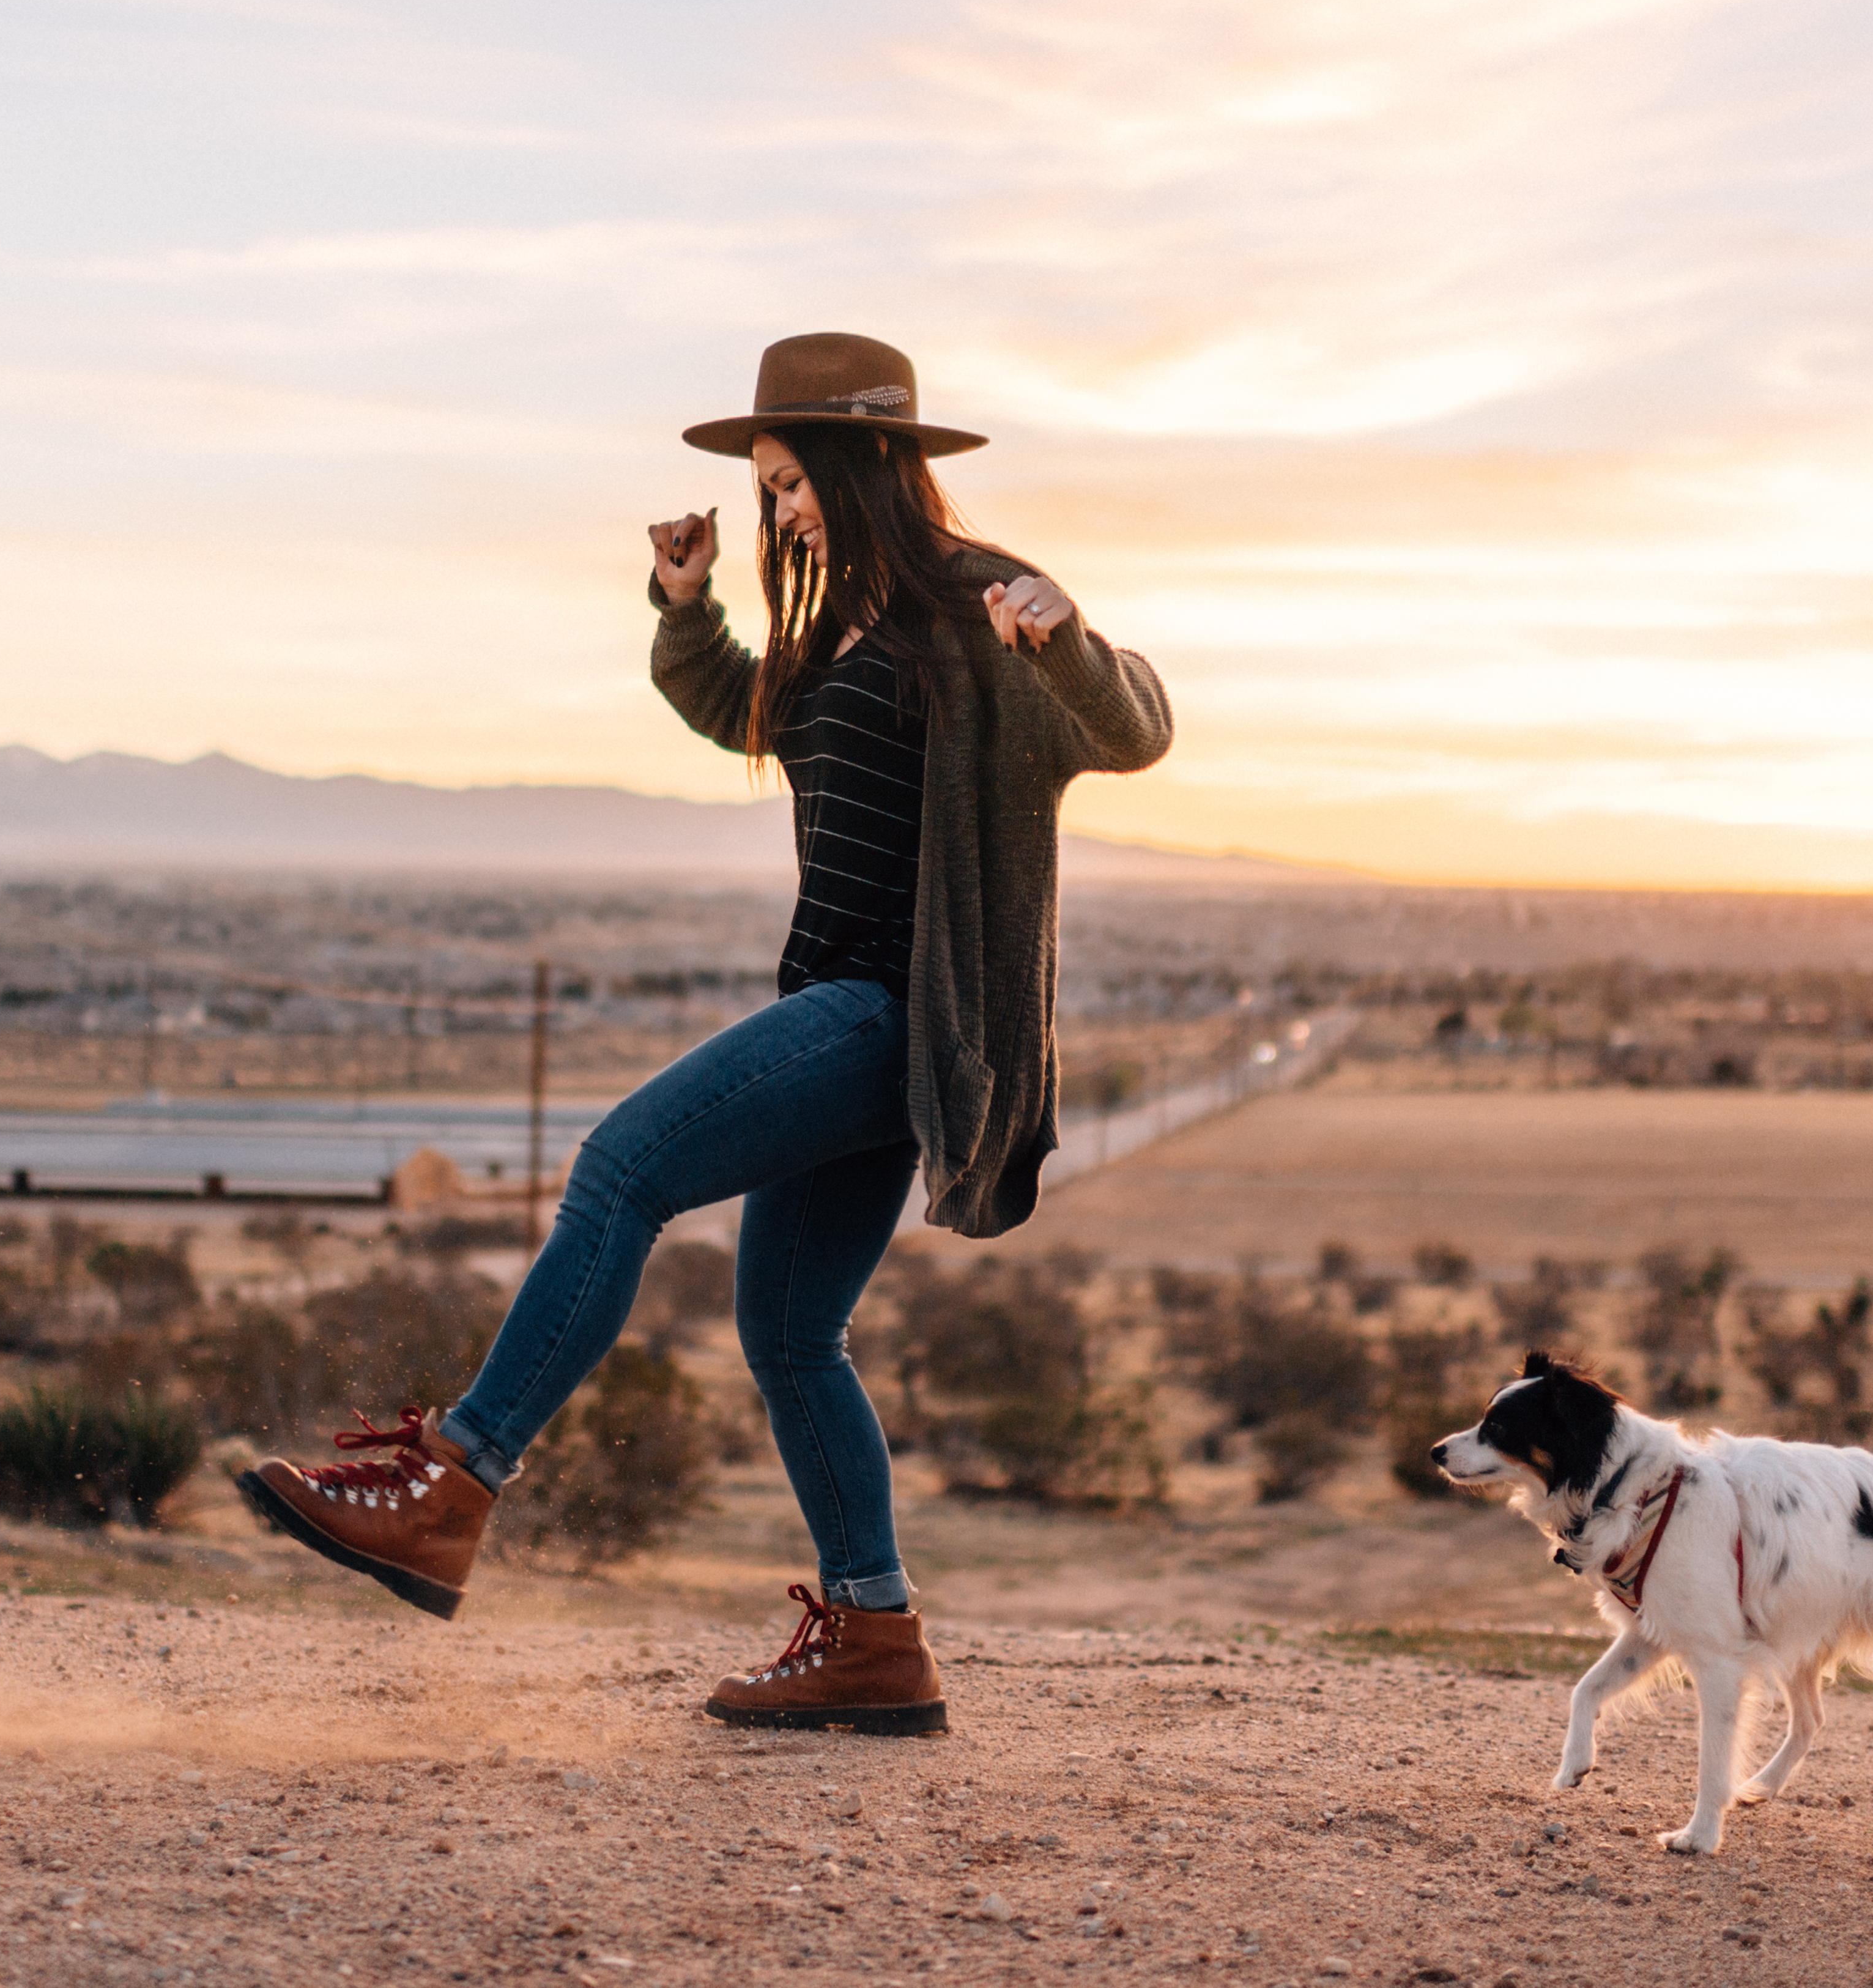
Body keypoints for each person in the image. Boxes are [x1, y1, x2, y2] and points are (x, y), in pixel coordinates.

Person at [239, 331, 1173, 1734]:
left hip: (899, 1015)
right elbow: (736, 710)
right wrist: (682, 603)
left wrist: (1067, 635)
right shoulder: (837, 628)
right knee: (792, 1332)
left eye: (793, 481)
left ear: (868, 467)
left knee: (622, 1168)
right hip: (839, 1008)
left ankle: (452, 1482)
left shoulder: (982, 602)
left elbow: (1138, 726)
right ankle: (873, 1633)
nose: (778, 510)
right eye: (768, 488)